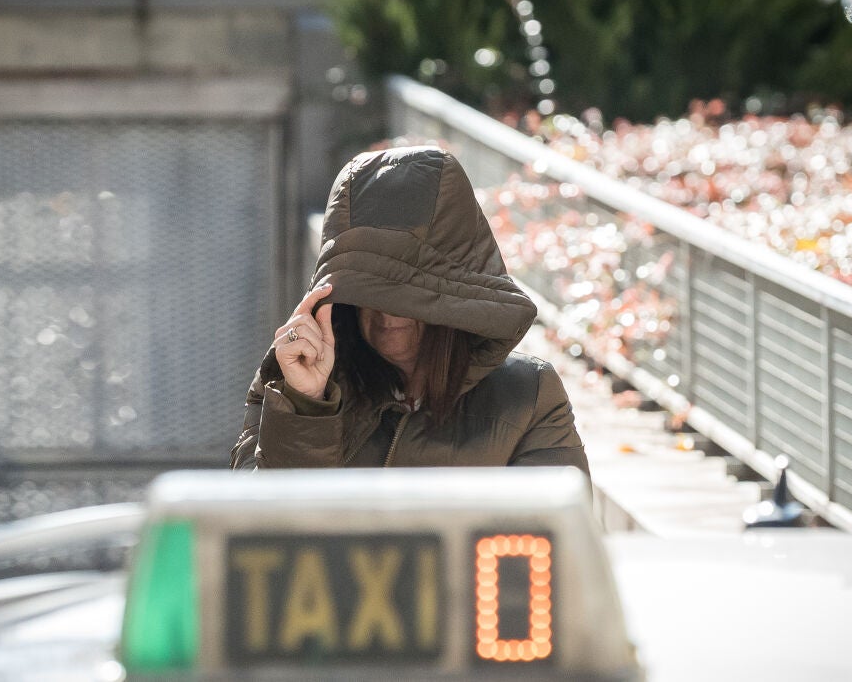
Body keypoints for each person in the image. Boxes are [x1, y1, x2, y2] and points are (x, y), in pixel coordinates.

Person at [231, 146, 589, 475]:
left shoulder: (528, 395)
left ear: (453, 294)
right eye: (368, 289)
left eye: (410, 294)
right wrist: (307, 406)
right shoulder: (287, 383)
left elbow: (559, 522)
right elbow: (254, 517)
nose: (387, 313)